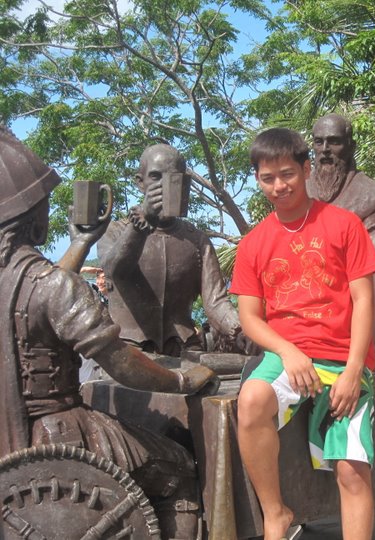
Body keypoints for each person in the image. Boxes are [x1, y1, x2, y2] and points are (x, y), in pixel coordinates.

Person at [0, 125, 218, 539]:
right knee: (177, 471)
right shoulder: (53, 281)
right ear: (34, 220)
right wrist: (180, 379)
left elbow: (43, 290)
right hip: (60, 432)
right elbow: (120, 363)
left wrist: (81, 241)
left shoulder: (25, 281)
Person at [230, 128, 375, 540]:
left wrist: (354, 370)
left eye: (287, 174)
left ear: (306, 169)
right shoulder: (253, 244)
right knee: (252, 401)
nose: (279, 186)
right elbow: (250, 317)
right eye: (267, 178)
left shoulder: (344, 225)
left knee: (353, 471)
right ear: (258, 181)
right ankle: (275, 513)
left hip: (342, 358)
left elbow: (364, 302)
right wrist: (289, 352)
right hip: (287, 357)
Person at [98, 143, 248, 356]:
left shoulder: (196, 239)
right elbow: (115, 271)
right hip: (128, 350)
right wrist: (141, 223)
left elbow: (216, 301)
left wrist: (241, 330)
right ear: (140, 183)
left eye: (173, 178)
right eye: (156, 177)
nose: (164, 185)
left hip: (184, 348)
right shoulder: (115, 231)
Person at [306, 113, 375, 228]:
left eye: (334, 142)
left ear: (351, 147)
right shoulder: (298, 189)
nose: (325, 149)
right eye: (319, 142)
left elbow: (368, 244)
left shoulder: (373, 194)